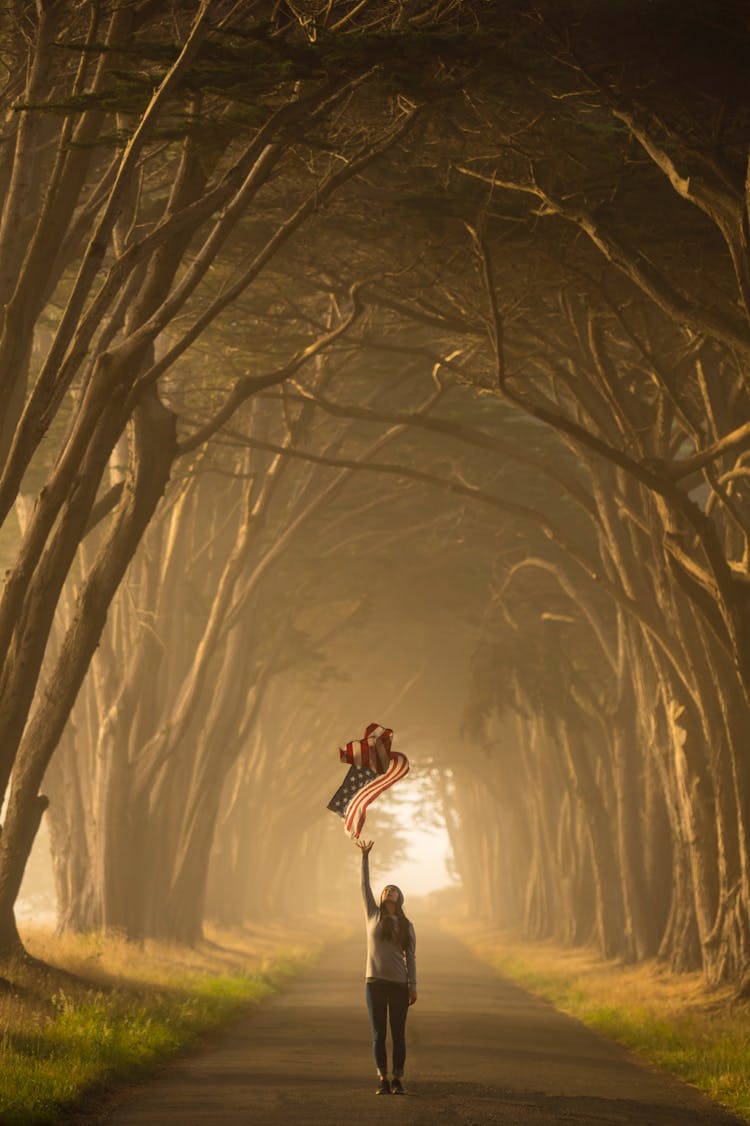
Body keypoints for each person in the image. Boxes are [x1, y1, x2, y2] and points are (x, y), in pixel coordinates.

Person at [356, 838, 417, 1096]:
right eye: (386, 890)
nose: (388, 891)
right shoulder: (373, 915)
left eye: (393, 890)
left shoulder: (407, 925)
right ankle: (382, 1077)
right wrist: (365, 858)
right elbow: (364, 886)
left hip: (399, 984)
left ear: (399, 897)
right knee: (378, 1033)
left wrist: (413, 986)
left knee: (398, 1034)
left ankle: (398, 1078)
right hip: (374, 983)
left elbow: (411, 958)